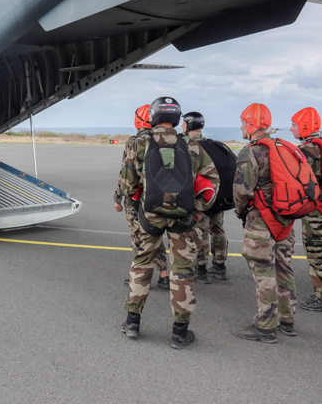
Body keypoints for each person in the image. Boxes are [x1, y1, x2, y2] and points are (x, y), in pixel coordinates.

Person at [120, 96, 219, 350]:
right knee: (183, 271)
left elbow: (127, 185)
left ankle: (132, 322)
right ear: (177, 118)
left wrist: (141, 202)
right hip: (183, 218)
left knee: (142, 264)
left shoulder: (138, 142)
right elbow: (211, 183)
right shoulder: (192, 145)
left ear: (153, 117)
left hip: (149, 216)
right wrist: (196, 209)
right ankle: (179, 331)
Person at [231, 103, 297, 343]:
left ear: (251, 125)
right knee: (284, 267)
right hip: (285, 220)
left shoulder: (252, 151)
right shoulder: (284, 146)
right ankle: (288, 320)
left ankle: (266, 326)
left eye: (242, 122)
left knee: (263, 272)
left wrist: (240, 212)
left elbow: (241, 190)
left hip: (261, 221)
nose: (240, 127)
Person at [290, 107, 322, 312]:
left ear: (304, 126)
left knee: (318, 252)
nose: (291, 128)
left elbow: (302, 182)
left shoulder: (308, 150)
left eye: (294, 125)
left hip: (316, 211)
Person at [114, 104, 169, 289]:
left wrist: (119, 197)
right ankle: (164, 275)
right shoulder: (164, 139)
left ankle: (139, 279)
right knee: (155, 235)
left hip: (137, 200)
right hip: (161, 198)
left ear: (138, 120)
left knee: (139, 238)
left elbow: (126, 175)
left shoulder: (135, 141)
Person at [182, 111, 229, 284]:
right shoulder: (214, 145)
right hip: (217, 197)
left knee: (200, 231)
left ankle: (200, 268)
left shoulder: (189, 146)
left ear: (187, 125)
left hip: (200, 198)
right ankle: (220, 265)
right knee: (218, 229)